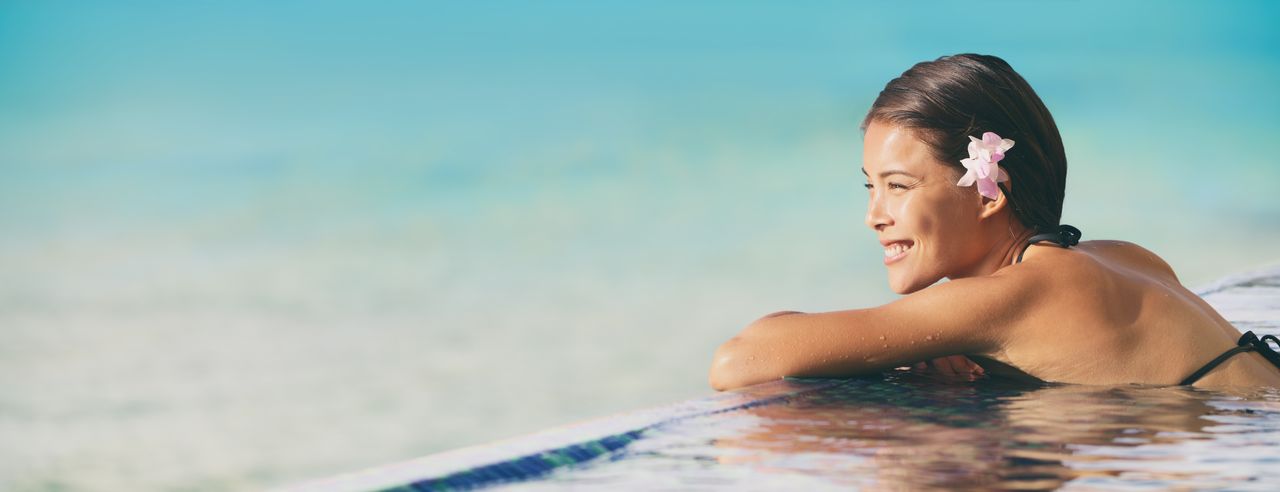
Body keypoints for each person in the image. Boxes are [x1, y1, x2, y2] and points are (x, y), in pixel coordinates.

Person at [708, 53, 1280, 392]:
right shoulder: (1124, 256)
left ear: (988, 195)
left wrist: (906, 344)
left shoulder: (1010, 297)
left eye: (898, 187)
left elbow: (739, 360)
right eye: (871, 186)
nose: (873, 217)